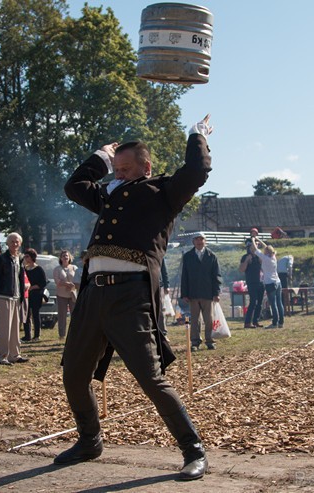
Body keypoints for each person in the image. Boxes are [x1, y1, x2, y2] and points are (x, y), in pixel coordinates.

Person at [57, 115, 213, 481]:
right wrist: (101, 157)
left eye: (126, 169)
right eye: (116, 169)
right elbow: (73, 185)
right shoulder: (108, 193)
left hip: (131, 297)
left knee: (150, 377)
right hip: (93, 293)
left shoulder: (163, 192)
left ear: (146, 166)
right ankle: (89, 440)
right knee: (74, 374)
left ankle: (194, 450)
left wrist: (197, 134)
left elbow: (197, 169)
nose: (119, 175)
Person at [0, 233, 29, 365]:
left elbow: (20, 279)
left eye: (17, 241)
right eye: (12, 241)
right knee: (5, 328)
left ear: (20, 243)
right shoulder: (1, 259)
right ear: (7, 243)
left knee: (15, 328)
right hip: (4, 295)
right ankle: (1, 357)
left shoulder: (20, 259)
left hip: (16, 296)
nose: (15, 244)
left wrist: (22, 296)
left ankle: (15, 355)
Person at [181, 232, 222, 350]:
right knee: (194, 319)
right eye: (197, 240)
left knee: (209, 319)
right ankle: (195, 342)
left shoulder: (211, 256)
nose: (199, 242)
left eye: (201, 239)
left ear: (205, 241)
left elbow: (217, 276)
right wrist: (184, 293)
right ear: (193, 241)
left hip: (207, 292)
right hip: (193, 293)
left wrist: (216, 292)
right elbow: (185, 276)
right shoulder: (188, 256)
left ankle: (210, 340)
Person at [251, 237, 284, 329]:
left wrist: (253, 240)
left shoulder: (265, 258)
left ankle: (274, 323)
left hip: (270, 283)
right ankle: (281, 322)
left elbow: (255, 249)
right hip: (278, 281)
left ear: (266, 252)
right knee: (279, 303)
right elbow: (267, 248)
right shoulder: (273, 257)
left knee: (273, 304)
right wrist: (259, 240)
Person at [23, 248, 47, 342]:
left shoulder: (38, 269)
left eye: (27, 256)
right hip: (26, 295)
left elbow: (43, 282)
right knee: (26, 315)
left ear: (32, 257)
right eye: (25, 256)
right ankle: (27, 335)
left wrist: (32, 287)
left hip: (36, 294)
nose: (26, 258)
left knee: (35, 314)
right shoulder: (24, 269)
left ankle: (36, 335)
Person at [53, 250, 78, 340]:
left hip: (72, 295)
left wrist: (73, 285)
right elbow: (57, 281)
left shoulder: (74, 268)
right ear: (61, 258)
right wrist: (67, 284)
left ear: (69, 257)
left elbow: (78, 279)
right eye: (63, 255)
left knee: (74, 315)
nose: (65, 257)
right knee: (62, 315)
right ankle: (62, 335)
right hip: (61, 295)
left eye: (67, 255)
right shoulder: (57, 269)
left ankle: (74, 334)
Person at [239, 243, 263, 328]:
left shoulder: (258, 256)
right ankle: (247, 322)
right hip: (251, 282)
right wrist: (246, 261)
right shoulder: (245, 257)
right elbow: (241, 269)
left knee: (259, 303)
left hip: (260, 282)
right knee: (253, 302)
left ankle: (256, 321)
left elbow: (264, 267)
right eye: (253, 247)